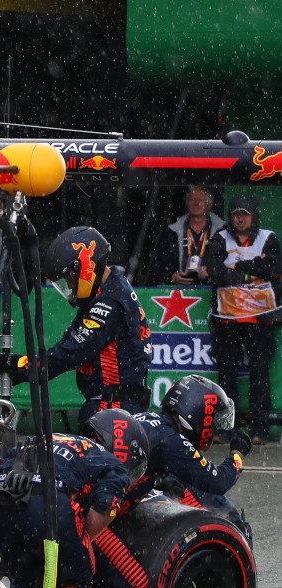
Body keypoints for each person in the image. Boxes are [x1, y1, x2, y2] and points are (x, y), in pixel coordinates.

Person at [0, 430, 131, 588]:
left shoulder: (48, 437)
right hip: (47, 506)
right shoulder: (113, 465)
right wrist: (76, 543)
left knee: (28, 585)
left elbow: (1, 466)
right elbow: (102, 513)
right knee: (75, 581)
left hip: (2, 502)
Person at [0, 226, 152, 424]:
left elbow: (70, 352)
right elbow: (70, 343)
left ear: (85, 266)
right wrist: (25, 365)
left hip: (114, 411)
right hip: (113, 407)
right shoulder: (108, 290)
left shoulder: (110, 302)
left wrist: (21, 367)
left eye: (70, 277)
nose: (70, 286)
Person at [202, 195, 280, 444]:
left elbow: (273, 268)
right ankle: (226, 428)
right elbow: (212, 271)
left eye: (245, 214)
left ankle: (259, 429)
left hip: (260, 318)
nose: (240, 218)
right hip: (227, 319)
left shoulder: (269, 237)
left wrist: (238, 267)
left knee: (259, 374)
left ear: (253, 216)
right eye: (236, 213)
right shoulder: (220, 238)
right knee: (226, 375)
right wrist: (251, 271)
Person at [77, 409, 153, 588]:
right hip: (69, 521)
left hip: (27, 515)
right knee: (134, 581)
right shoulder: (106, 469)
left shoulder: (72, 444)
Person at [131, 374, 248, 528]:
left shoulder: (146, 418)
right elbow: (219, 481)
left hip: (107, 493)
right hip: (108, 504)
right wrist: (237, 454)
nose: (214, 429)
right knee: (214, 505)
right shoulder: (172, 441)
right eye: (212, 421)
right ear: (198, 412)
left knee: (174, 485)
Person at [146, 186, 224, 286]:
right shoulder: (172, 232)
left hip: (211, 290)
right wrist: (171, 277)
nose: (196, 203)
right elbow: (159, 264)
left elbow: (227, 263)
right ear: (187, 204)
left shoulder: (221, 231)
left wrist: (211, 273)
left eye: (200, 200)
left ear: (208, 205)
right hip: (179, 291)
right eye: (192, 199)